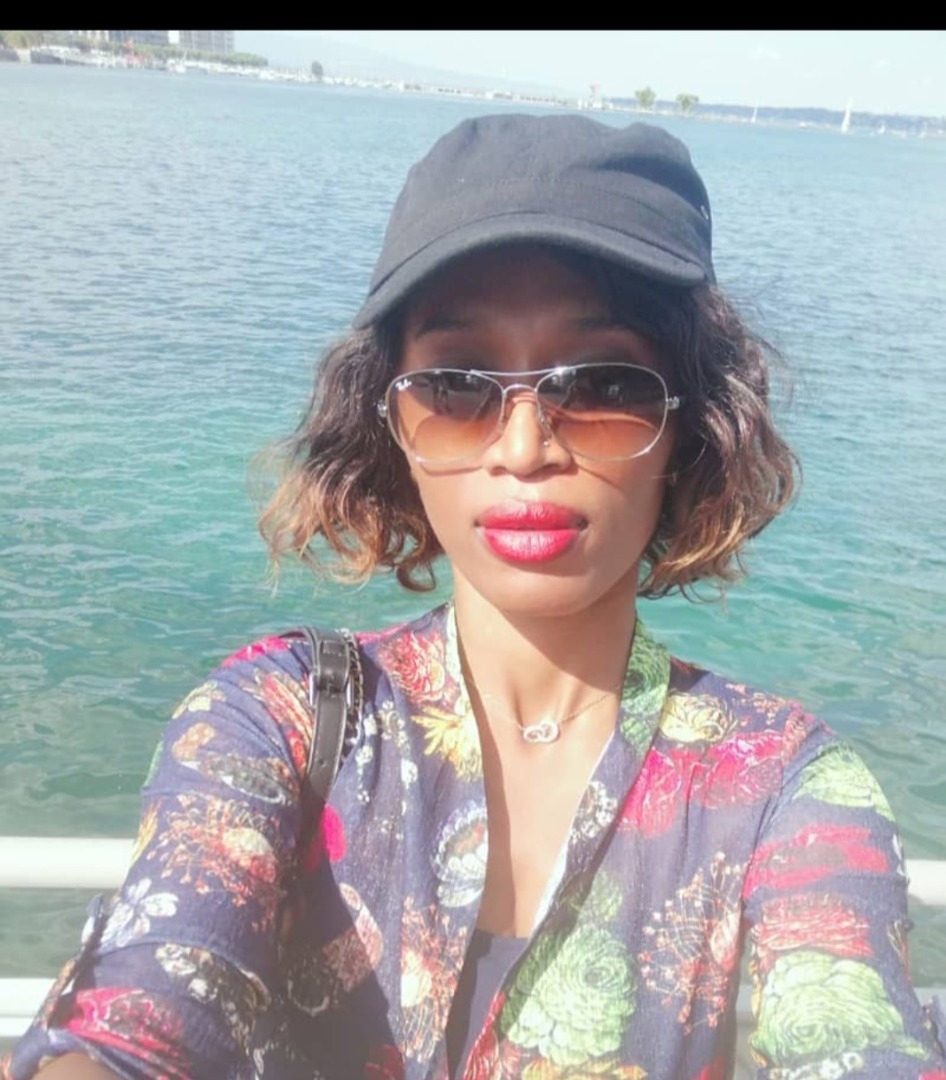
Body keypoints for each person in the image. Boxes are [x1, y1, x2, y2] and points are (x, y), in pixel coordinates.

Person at [5, 114, 944, 1080]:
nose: (525, 447)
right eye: (456, 388)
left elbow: (853, 1029)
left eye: (601, 383)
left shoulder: (783, 785)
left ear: (691, 427)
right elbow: (153, 997)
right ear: (392, 422)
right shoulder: (282, 719)